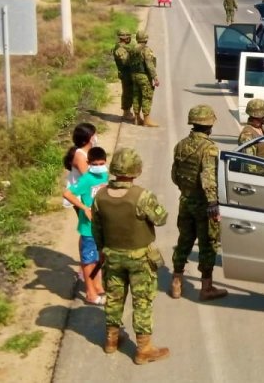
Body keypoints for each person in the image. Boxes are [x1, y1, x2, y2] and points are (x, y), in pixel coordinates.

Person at [91, 147, 170, 364]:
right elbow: (161, 219)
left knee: (114, 298)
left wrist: (101, 250)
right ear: (136, 170)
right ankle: (144, 349)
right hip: (139, 259)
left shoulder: (100, 196)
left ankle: (111, 340)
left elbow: (96, 228)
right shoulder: (142, 196)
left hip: (112, 256)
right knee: (142, 301)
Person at [169, 104, 228, 301]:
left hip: (185, 201)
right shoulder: (209, 148)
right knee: (208, 244)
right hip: (203, 204)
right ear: (209, 125)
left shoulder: (181, 145)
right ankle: (206, 288)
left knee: (184, 240)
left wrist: (186, 191)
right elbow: (208, 176)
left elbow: (175, 175)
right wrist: (213, 203)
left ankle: (176, 282)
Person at [63, 146, 110, 304]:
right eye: (95, 164)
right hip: (89, 229)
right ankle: (90, 293)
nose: (98, 167)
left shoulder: (105, 175)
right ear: (88, 163)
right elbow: (67, 194)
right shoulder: (86, 179)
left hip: (103, 226)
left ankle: (97, 285)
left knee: (99, 258)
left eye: (101, 164)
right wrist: (84, 208)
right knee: (88, 261)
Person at [63, 122, 97, 207]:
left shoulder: (88, 152)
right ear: (87, 138)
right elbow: (89, 179)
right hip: (80, 197)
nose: (96, 137)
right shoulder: (81, 156)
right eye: (94, 135)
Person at [130, 32, 159, 127]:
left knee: (136, 96)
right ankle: (147, 120)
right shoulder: (146, 50)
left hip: (134, 75)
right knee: (147, 97)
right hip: (144, 76)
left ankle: (137, 118)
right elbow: (149, 64)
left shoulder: (132, 49)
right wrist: (155, 77)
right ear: (146, 39)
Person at [112, 31, 135, 123]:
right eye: (128, 37)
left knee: (129, 92)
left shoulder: (124, 47)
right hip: (126, 74)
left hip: (128, 73)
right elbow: (125, 62)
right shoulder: (120, 49)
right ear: (125, 38)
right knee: (127, 93)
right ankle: (126, 113)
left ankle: (128, 111)